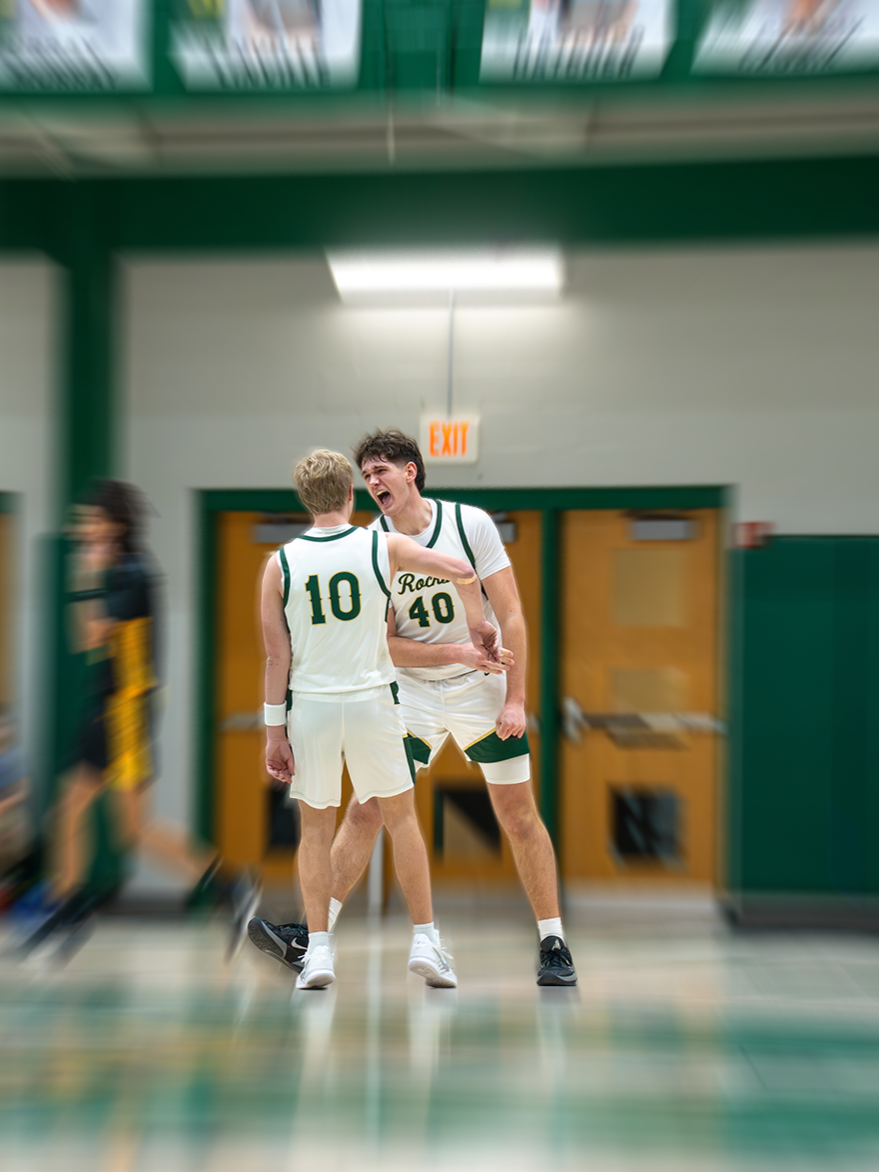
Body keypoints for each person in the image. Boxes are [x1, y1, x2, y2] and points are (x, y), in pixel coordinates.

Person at [251, 429, 577, 987]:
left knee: (518, 814)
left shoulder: (469, 523)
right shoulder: (370, 543)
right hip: (415, 689)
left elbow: (513, 614)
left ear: (411, 473)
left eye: (382, 469)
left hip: (483, 686)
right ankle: (313, 933)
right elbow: (384, 644)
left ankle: (554, 942)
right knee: (367, 810)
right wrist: (452, 649)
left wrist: (518, 697)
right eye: (366, 474)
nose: (374, 480)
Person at [19, 479, 258, 958]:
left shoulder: (132, 574)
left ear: (113, 525)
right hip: (108, 706)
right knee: (75, 813)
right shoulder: (121, 571)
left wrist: (84, 578)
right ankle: (70, 905)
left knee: (127, 827)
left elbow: (87, 638)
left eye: (88, 520)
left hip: (124, 711)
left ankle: (228, 884)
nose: (81, 529)